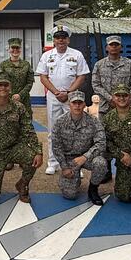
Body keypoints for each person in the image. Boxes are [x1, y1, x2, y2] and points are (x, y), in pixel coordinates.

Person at [0, 74, 43, 203]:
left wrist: (38, 151)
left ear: (10, 87)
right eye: (0, 85)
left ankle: (22, 185)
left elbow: (28, 130)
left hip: (14, 148)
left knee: (31, 159)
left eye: (6, 85)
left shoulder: (19, 107)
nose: (3, 88)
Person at [36, 27, 89, 175]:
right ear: (54, 40)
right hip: (54, 96)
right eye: (58, 37)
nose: (61, 40)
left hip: (72, 97)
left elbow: (81, 76)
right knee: (53, 130)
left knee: (75, 130)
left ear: (68, 39)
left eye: (63, 37)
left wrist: (69, 92)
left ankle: (75, 164)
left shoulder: (76, 55)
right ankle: (53, 163)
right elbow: (43, 77)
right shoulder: (47, 56)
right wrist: (56, 92)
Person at [52, 90, 107, 205]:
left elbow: (101, 143)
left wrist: (85, 157)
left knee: (101, 163)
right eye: (74, 103)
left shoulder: (93, 122)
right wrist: (64, 167)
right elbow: (56, 147)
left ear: (84, 105)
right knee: (70, 195)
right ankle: (72, 180)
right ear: (69, 104)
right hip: (69, 160)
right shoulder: (59, 122)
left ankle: (93, 189)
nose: (77, 106)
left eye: (80, 103)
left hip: (87, 157)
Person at [91, 35, 131, 115]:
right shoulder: (99, 65)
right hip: (105, 107)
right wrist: (110, 99)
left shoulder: (130, 64)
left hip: (125, 106)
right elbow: (96, 84)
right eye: (111, 45)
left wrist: (125, 98)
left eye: (117, 45)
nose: (114, 47)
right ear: (107, 47)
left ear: (121, 47)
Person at [0, 37, 35, 113]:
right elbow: (1, 83)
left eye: (17, 48)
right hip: (7, 99)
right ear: (9, 49)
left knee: (25, 122)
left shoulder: (26, 64)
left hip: (24, 100)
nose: (15, 50)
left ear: (20, 49)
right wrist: (10, 95)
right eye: (13, 47)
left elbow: (29, 82)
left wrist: (20, 95)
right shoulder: (3, 65)